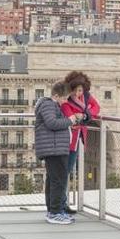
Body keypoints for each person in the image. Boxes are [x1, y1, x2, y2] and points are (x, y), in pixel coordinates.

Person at [35, 81, 79, 225]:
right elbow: (52, 123)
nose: (65, 101)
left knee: (53, 180)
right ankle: (55, 213)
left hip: (55, 147)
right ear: (56, 95)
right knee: (58, 181)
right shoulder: (48, 105)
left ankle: (53, 211)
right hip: (53, 149)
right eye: (64, 98)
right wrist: (70, 121)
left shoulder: (52, 105)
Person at [61, 71, 100, 214]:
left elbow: (96, 108)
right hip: (68, 140)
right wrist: (83, 115)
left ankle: (62, 203)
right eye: (76, 90)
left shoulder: (87, 97)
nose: (79, 93)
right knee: (65, 172)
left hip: (78, 139)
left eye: (80, 90)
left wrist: (85, 115)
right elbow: (70, 117)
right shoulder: (66, 102)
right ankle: (61, 203)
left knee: (68, 170)